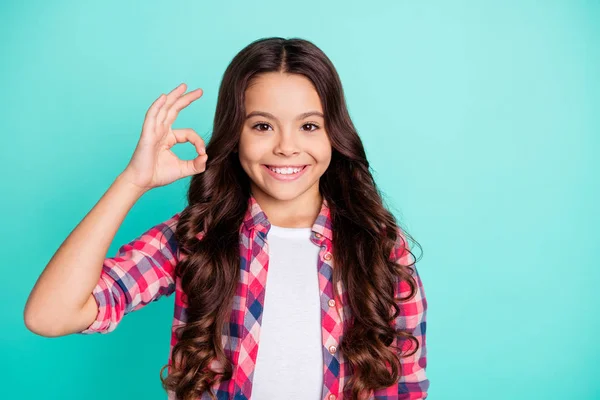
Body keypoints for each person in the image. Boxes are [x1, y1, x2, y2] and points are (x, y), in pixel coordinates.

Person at [23, 37, 429, 400]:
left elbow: (407, 389)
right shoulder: (196, 236)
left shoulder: (379, 246)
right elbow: (49, 315)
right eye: (263, 125)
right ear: (235, 134)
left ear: (334, 135)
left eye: (308, 125)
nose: (287, 147)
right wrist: (133, 181)